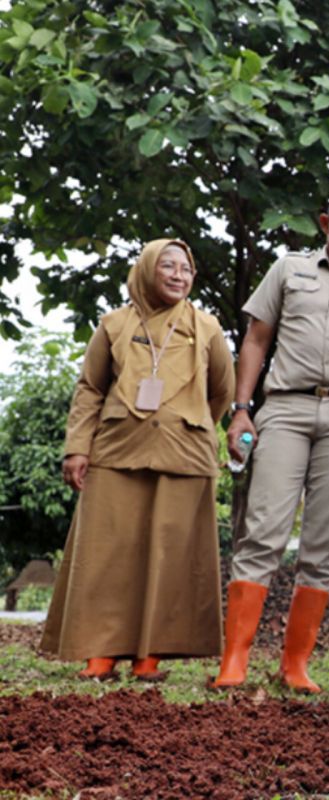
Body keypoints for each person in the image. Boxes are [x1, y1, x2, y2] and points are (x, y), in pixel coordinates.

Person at [213, 190, 329, 692]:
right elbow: (256, 338)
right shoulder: (288, 269)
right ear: (326, 223)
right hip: (286, 406)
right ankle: (235, 659)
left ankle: (295, 663)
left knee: (324, 542)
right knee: (263, 529)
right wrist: (241, 411)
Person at [41, 239, 235, 681]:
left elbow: (221, 389)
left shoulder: (206, 327)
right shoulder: (113, 324)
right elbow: (90, 387)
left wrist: (188, 421)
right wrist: (78, 447)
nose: (178, 275)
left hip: (184, 456)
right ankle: (100, 652)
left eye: (185, 268)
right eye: (167, 266)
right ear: (147, 270)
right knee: (108, 552)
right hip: (116, 451)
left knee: (171, 556)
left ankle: (151, 656)